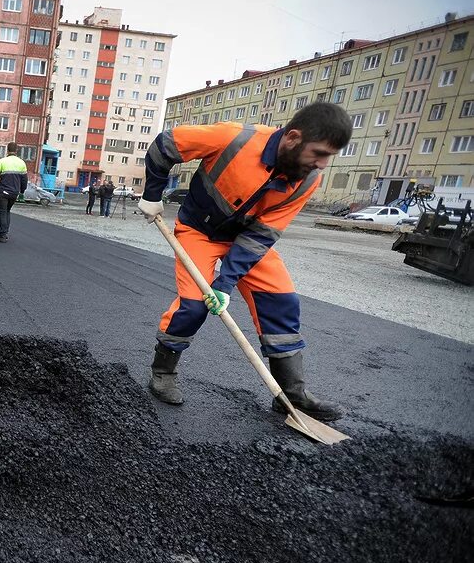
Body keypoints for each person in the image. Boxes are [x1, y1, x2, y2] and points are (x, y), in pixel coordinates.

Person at [138, 103, 352, 421]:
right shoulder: (233, 139)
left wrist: (225, 284)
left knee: (281, 301)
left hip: (248, 241)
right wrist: (152, 195)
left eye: (328, 157)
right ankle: (163, 371)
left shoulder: (307, 181)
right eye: (319, 153)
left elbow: (262, 235)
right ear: (293, 138)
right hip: (200, 232)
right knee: (194, 304)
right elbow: (166, 144)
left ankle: (290, 394)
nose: (322, 164)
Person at [0, 142, 28, 243]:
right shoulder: (22, 163)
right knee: (8, 211)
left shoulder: (2, 161)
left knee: (3, 212)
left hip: (3, 192)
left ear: (7, 150)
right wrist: (22, 192)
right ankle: (6, 233)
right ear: (16, 150)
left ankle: (3, 235)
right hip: (14, 193)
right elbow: (24, 180)